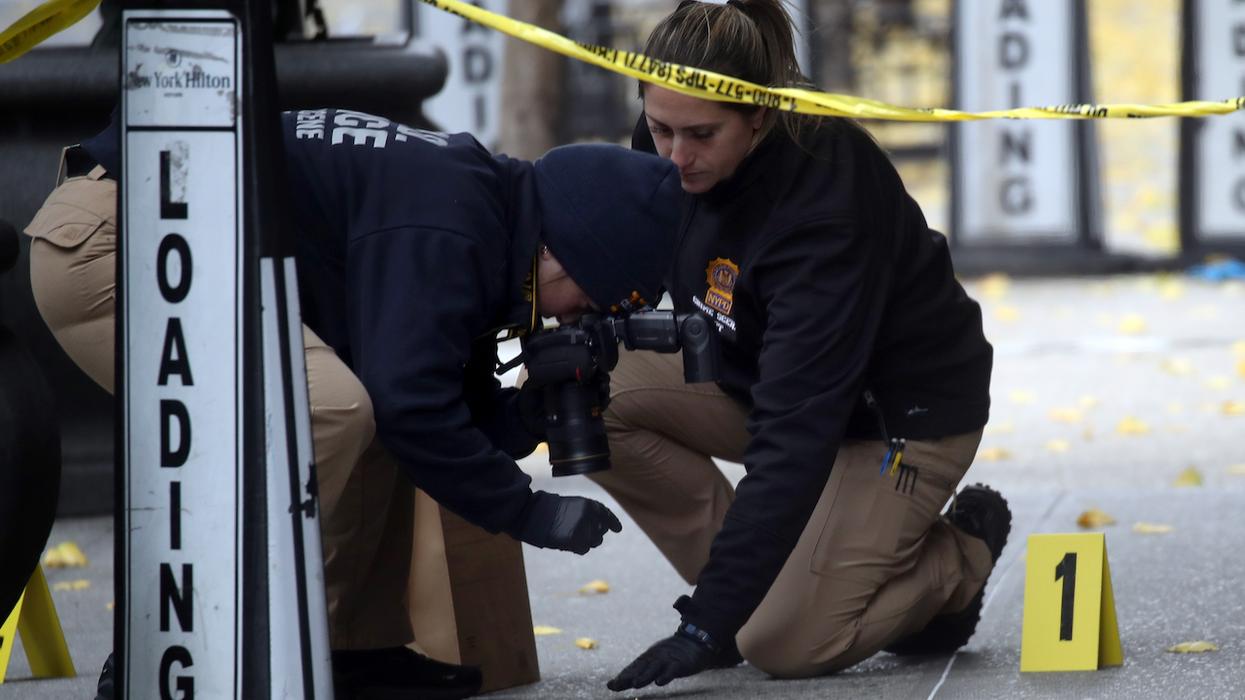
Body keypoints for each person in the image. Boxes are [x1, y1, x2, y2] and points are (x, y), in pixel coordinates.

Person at [24, 107, 682, 700]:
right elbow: (410, 407)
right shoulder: (452, 224)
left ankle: (351, 651)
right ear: (557, 250)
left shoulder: (485, 212)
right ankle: (175, 643)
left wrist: (525, 418)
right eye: (588, 304)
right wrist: (528, 512)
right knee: (331, 408)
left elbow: (435, 399)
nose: (573, 320)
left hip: (161, 236)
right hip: (118, 243)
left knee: (361, 400)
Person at [597, 0, 1011, 691]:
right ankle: (757, 586)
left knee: (784, 645)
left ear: (759, 115)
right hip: (764, 377)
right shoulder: (675, 139)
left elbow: (794, 436)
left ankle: (955, 562)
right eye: (658, 126)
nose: (674, 156)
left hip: (892, 420)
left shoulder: (822, 215)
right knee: (586, 391)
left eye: (700, 134)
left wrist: (703, 626)